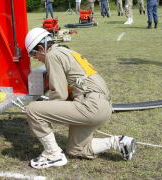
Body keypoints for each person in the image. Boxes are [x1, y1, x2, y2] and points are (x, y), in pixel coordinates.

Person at [24, 27, 137, 169]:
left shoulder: (52, 55)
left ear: (41, 48)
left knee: (33, 110)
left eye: (34, 55)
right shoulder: (69, 51)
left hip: (90, 105)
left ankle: (53, 154)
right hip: (102, 105)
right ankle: (119, 142)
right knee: (75, 149)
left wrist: (43, 112)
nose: (36, 59)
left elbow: (59, 94)